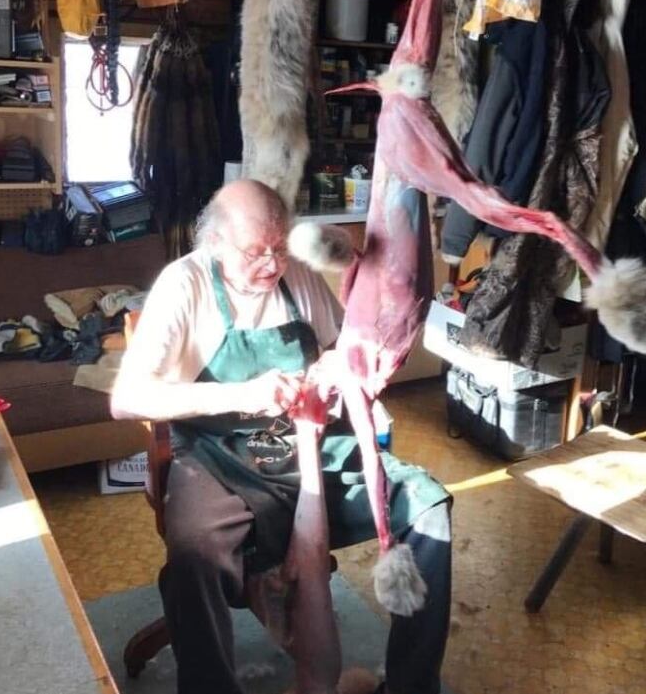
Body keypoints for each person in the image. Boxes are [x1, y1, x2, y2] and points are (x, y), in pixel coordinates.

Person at [111, 179, 452, 694]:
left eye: (279, 248)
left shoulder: (298, 277)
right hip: (215, 453)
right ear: (215, 243)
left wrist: (341, 371)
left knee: (428, 506)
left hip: (307, 442)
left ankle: (409, 684)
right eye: (255, 253)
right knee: (194, 553)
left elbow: (340, 350)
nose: (272, 265)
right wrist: (242, 395)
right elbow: (128, 398)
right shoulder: (184, 285)